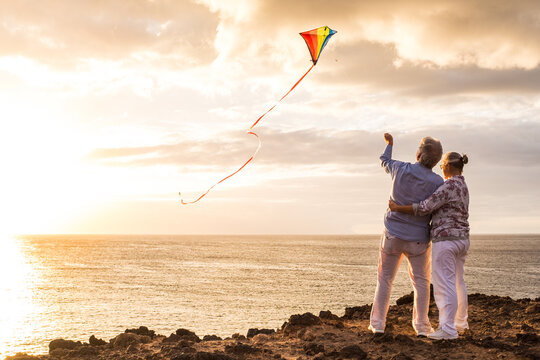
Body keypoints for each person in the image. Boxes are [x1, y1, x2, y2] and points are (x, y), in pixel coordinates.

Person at [389, 152, 470, 340]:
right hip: (462, 239)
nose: (440, 167)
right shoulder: (463, 185)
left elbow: (425, 206)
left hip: (446, 240)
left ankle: (448, 329)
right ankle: (460, 323)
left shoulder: (448, 185)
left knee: (444, 284)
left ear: (449, 166)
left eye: (442, 165)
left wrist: (397, 208)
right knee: (458, 281)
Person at [369, 133, 443, 337]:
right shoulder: (438, 182)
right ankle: (421, 327)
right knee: (421, 282)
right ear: (436, 161)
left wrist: (389, 145)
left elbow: (384, 161)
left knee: (384, 279)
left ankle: (378, 324)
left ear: (418, 154)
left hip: (392, 234)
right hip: (418, 239)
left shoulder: (401, 168)